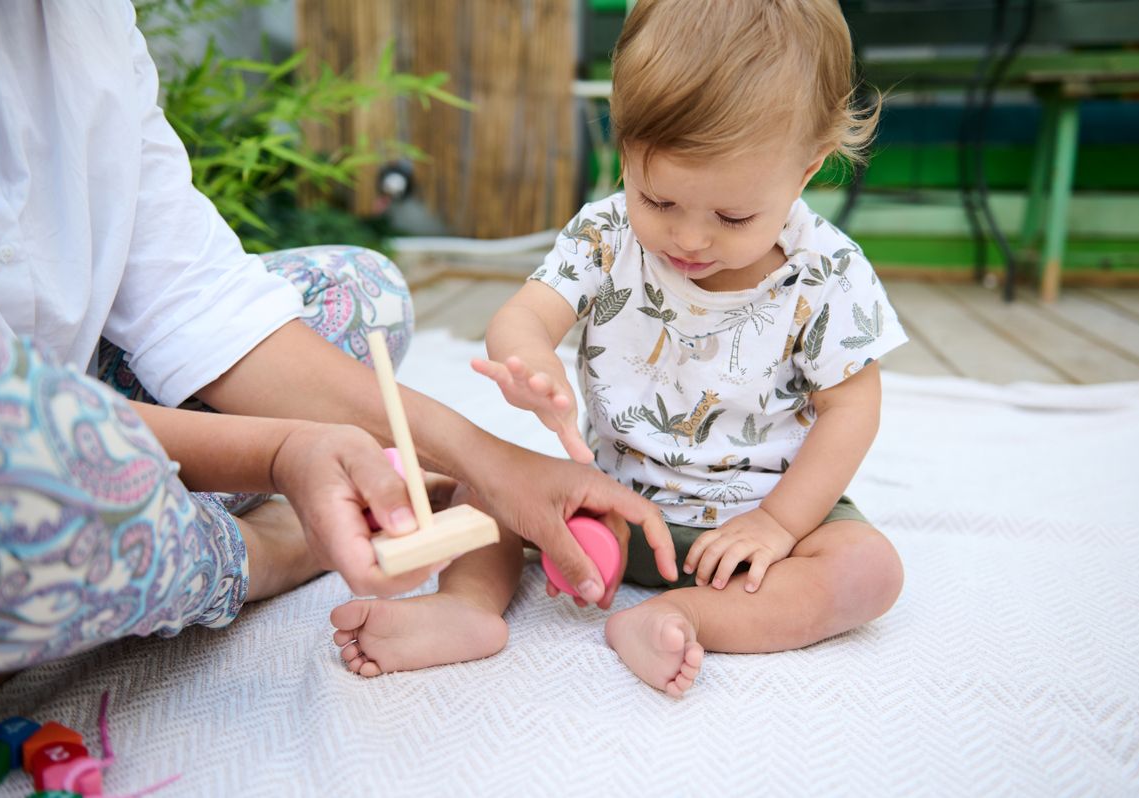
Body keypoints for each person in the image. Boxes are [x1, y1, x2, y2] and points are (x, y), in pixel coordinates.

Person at [0, 1, 677, 681]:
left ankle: (251, 500)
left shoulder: (88, 21)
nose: (694, 238)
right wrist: (282, 456)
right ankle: (269, 546)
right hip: (10, 462)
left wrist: (491, 460)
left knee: (362, 293)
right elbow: (9, 420)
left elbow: (191, 303)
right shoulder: (605, 233)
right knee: (36, 488)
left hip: (76, 400)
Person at [331, 0, 908, 695]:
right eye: (657, 199)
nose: (689, 239)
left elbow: (853, 409)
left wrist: (780, 524)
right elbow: (525, 316)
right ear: (625, 146)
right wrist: (531, 360)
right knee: (482, 484)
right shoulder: (606, 236)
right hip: (609, 502)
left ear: (808, 168)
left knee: (867, 569)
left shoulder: (827, 271)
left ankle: (686, 616)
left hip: (760, 524)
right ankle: (466, 607)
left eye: (732, 215)